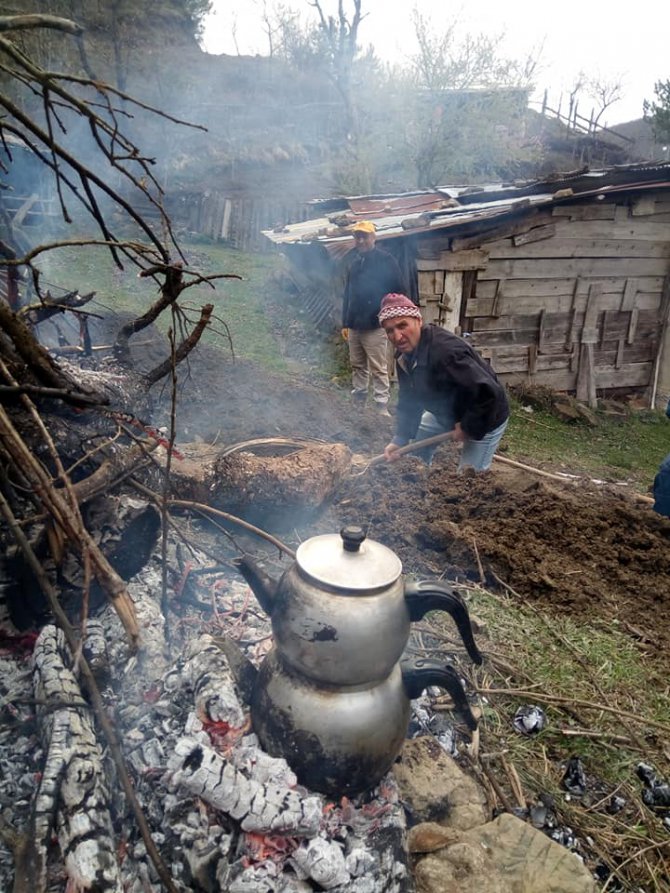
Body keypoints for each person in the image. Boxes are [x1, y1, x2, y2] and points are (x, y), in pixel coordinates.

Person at [378, 292, 509, 471]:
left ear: (418, 321)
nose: (397, 336)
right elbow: (409, 398)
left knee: (469, 477)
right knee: (417, 454)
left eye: (402, 326)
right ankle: (418, 480)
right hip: (447, 413)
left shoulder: (446, 352)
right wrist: (400, 439)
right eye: (390, 331)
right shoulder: (404, 356)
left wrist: (468, 426)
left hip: (485, 414)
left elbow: (487, 394)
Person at [341, 221, 406, 416]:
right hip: (355, 324)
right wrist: (345, 323)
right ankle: (359, 400)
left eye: (365, 236)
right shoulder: (354, 264)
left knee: (378, 367)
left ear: (373, 237)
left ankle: (381, 405)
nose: (361, 240)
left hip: (375, 324)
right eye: (357, 237)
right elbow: (348, 295)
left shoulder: (386, 261)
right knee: (357, 365)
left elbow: (399, 291)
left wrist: (391, 318)